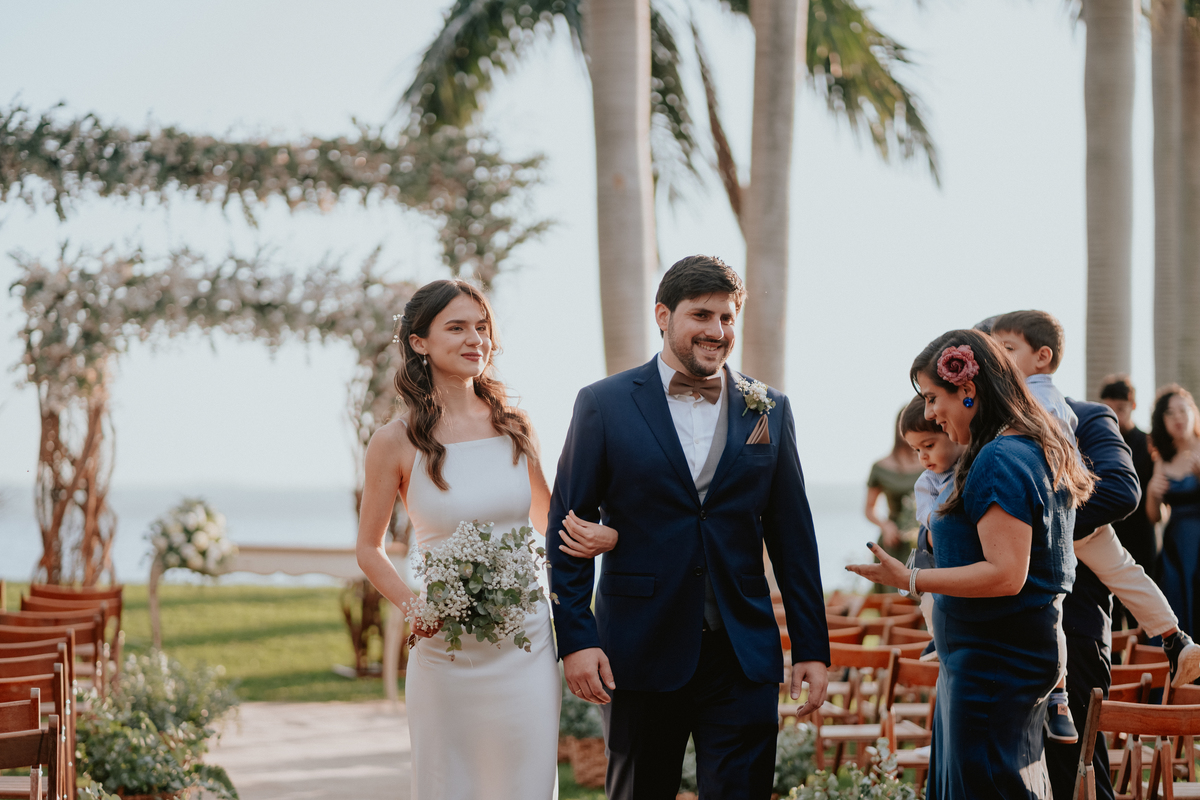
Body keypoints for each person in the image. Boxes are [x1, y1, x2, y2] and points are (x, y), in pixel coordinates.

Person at [547, 255, 830, 800]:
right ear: (663, 315)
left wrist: (812, 649)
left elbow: (793, 537)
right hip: (639, 646)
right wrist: (577, 640)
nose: (717, 331)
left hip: (742, 651)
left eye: (727, 318)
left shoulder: (768, 408)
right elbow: (568, 532)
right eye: (702, 315)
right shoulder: (603, 405)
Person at [354, 279, 617, 800]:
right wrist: (414, 607)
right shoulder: (394, 441)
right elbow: (369, 548)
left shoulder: (515, 426)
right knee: (448, 783)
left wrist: (604, 533)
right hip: (444, 650)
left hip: (525, 644)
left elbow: (550, 521)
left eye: (482, 327)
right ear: (419, 342)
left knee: (525, 784)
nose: (476, 338)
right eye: (457, 327)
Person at [849, 329, 1092, 800]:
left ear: (968, 390)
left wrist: (911, 577)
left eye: (933, 397)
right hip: (997, 658)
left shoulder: (999, 457)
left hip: (993, 665)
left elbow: (1007, 573)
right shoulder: (1022, 445)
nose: (932, 413)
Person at [898, 395, 966, 637]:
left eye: (929, 446)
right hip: (941, 560)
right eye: (917, 450)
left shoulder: (975, 462)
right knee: (932, 603)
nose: (923, 457)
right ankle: (936, 642)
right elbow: (926, 514)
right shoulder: (927, 482)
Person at [1098, 375, 1158, 628]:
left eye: (1120, 410)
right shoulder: (1095, 443)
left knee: (1141, 615)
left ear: (1133, 407)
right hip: (1106, 538)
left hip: (1141, 538)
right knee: (1108, 619)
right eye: (1108, 409)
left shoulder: (1148, 444)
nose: (1114, 417)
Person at [1147, 384, 1200, 637]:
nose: (1177, 417)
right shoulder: (1162, 459)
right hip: (1174, 546)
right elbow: (1154, 516)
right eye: (1169, 413)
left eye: (1182, 410)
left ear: (1193, 412)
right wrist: (1152, 494)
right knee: (1175, 605)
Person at [864, 407, 924, 590]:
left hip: (924, 540)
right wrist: (886, 526)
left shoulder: (929, 462)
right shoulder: (880, 467)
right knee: (893, 602)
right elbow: (869, 509)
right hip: (894, 542)